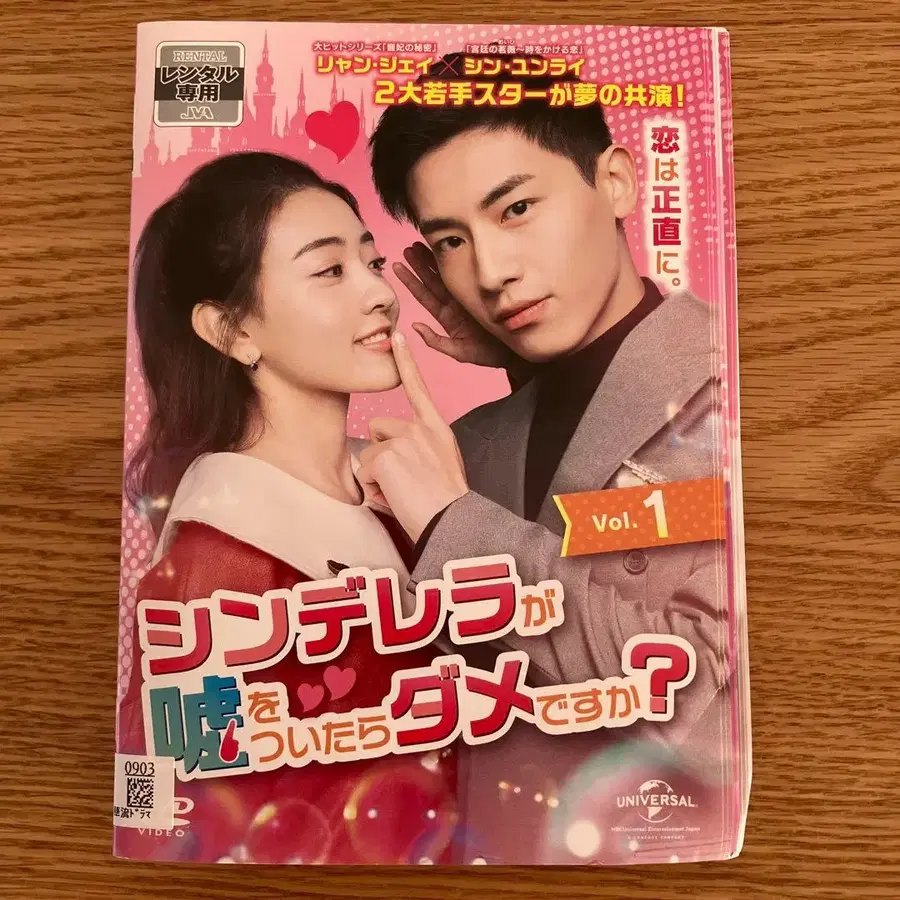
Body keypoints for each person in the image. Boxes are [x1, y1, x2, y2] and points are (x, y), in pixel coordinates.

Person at [364, 58, 732, 862]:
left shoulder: (728, 388)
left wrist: (455, 528)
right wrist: (535, 381)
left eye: (518, 208)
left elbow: (700, 701)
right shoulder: (469, 442)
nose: (491, 274)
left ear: (617, 183)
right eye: (451, 241)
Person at [116, 152, 456, 864]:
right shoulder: (219, 562)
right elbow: (170, 825)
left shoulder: (408, 490)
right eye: (329, 270)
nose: (380, 293)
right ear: (231, 331)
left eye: (372, 261)